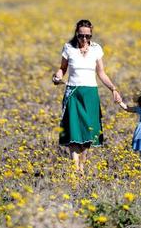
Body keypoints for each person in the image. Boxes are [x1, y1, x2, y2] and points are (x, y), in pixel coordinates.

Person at [52, 19, 123, 174]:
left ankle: (82, 166)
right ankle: (75, 168)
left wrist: (113, 89)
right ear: (76, 33)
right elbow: (62, 68)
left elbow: (101, 73)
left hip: (90, 94)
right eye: (81, 35)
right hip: (73, 93)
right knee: (73, 130)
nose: (84, 39)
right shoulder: (68, 48)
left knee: (89, 132)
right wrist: (57, 77)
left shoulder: (96, 49)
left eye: (88, 36)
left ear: (91, 35)